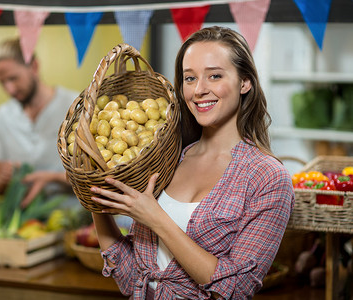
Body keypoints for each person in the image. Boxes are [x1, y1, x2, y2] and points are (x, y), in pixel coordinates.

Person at [89, 26, 295, 299]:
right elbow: (131, 279)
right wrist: (93, 194)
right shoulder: (167, 157)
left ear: (245, 82)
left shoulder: (267, 178)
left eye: (215, 76)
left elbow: (235, 290)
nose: (199, 90)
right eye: (189, 78)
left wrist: (156, 219)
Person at [0, 37, 79, 208]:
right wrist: (2, 178)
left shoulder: (75, 107)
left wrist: (51, 178)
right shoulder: (2, 117)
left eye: (14, 78)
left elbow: (98, 177)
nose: (9, 89)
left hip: (75, 222)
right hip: (26, 225)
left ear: (34, 67)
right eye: (2, 83)